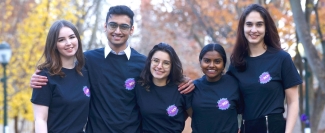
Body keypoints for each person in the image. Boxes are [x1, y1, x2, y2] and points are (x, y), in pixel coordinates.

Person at [30, 5, 194, 132]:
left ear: (132, 30)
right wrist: (38, 75)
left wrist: (185, 81)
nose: (117, 31)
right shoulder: (87, 60)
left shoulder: (144, 64)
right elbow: (63, 70)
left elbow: (165, 81)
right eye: (113, 25)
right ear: (105, 26)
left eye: (123, 26)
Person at [227, 4, 302, 133]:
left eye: (259, 24)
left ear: (266, 28)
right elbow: (223, 92)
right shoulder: (236, 63)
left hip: (274, 127)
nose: (254, 29)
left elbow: (293, 101)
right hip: (247, 128)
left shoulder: (281, 58)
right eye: (249, 24)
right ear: (242, 28)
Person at [31, 20, 90, 133]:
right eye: (61, 40)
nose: (68, 43)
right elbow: (40, 119)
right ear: (54, 45)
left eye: (72, 37)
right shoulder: (45, 76)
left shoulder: (85, 72)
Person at [135, 43, 192, 132]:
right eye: (156, 61)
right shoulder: (140, 87)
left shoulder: (182, 88)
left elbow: (199, 120)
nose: (159, 66)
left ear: (172, 66)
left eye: (166, 63)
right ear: (150, 61)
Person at [191, 43, 241, 133]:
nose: (212, 65)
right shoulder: (192, 87)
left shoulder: (234, 84)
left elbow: (246, 111)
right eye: (207, 61)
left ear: (223, 64)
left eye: (217, 61)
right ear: (200, 62)